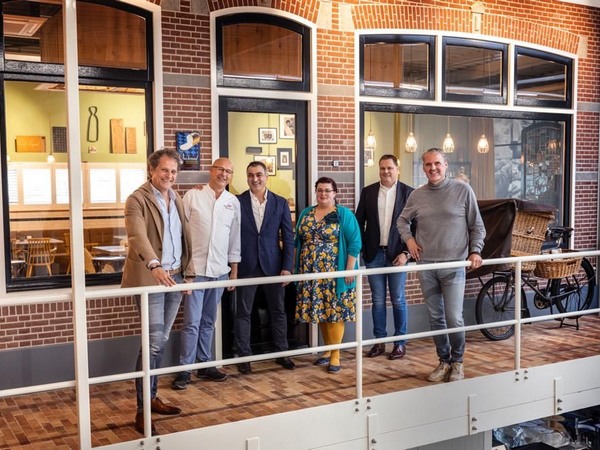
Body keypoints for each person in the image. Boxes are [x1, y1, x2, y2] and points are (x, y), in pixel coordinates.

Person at [397, 148, 485, 383]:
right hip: (426, 266)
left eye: (437, 163)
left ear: (446, 165)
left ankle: (458, 362)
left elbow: (477, 225)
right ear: (423, 168)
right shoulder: (417, 195)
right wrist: (409, 240)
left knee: (454, 317)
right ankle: (443, 360)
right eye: (428, 164)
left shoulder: (462, 190)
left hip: (454, 265)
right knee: (436, 317)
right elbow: (402, 221)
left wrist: (476, 250)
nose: (433, 168)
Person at [121, 148, 194, 436]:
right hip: (151, 278)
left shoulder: (176, 198)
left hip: (174, 278)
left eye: (174, 171)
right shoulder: (136, 199)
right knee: (152, 343)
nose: (169, 176)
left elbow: (185, 237)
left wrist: (188, 273)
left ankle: (152, 398)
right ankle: (142, 409)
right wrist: (154, 264)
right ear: (152, 169)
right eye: (164, 170)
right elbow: (137, 235)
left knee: (160, 342)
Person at [172, 157, 241, 389]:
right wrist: (185, 271)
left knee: (209, 321)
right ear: (211, 171)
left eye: (228, 171)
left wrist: (233, 272)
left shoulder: (232, 202)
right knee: (191, 322)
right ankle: (185, 369)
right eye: (220, 169)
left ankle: (204, 364)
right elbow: (180, 234)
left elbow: (235, 239)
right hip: (195, 272)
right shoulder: (193, 195)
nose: (224, 174)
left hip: (220, 272)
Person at [295, 177, 361, 373]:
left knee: (335, 312)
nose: (323, 193)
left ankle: (335, 355)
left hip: (335, 271)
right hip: (311, 271)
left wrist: (349, 269)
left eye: (327, 190)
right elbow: (297, 241)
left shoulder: (343, 214)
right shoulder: (307, 212)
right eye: (320, 190)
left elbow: (355, 242)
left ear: (335, 193)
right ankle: (327, 349)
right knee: (322, 311)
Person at [235, 161, 295, 374]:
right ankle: (244, 356)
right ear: (247, 177)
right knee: (243, 313)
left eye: (259, 174)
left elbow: (288, 237)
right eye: (251, 175)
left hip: (273, 266)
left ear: (266, 176)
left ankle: (282, 352)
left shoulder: (280, 203)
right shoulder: (237, 201)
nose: (255, 179)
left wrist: (287, 267)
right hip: (246, 265)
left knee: (278, 310)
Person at [355, 154, 414, 360]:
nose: (386, 171)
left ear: (397, 169)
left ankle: (400, 343)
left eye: (390, 168)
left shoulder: (409, 193)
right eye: (382, 168)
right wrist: (363, 249)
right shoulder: (368, 192)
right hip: (374, 255)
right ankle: (379, 342)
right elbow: (358, 222)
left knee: (398, 299)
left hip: (398, 255)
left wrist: (406, 254)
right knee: (377, 299)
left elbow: (417, 227)